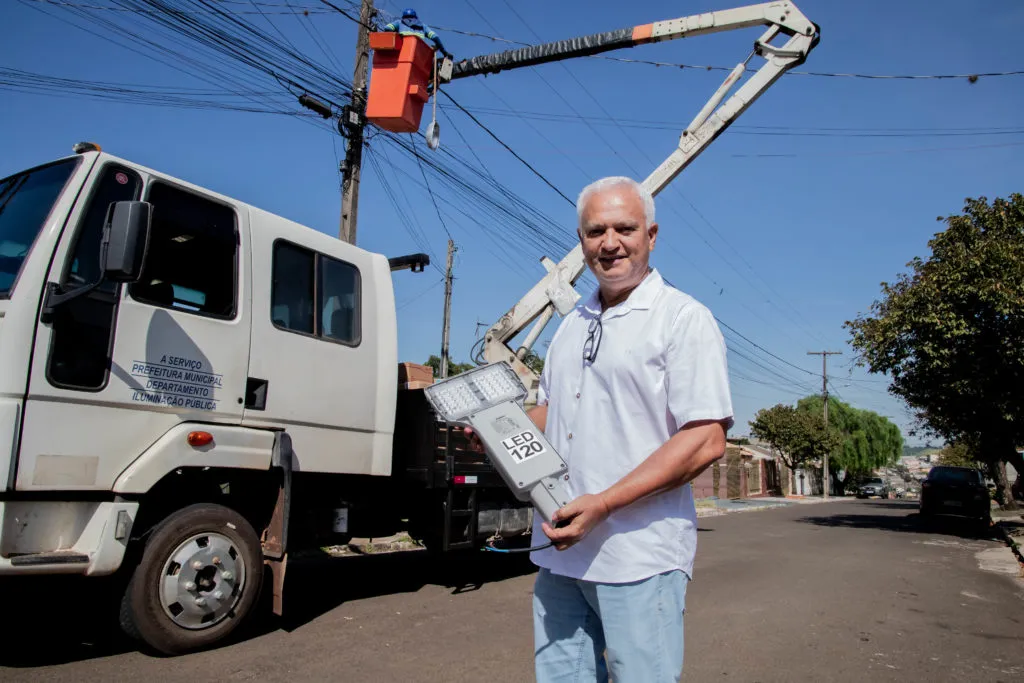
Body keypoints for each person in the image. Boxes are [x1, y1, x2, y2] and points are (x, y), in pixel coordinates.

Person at [470, 176, 733, 682]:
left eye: (624, 228)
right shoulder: (574, 323)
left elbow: (705, 438)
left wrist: (606, 503)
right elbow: (551, 415)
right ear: (581, 240)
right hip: (562, 552)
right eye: (595, 231)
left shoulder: (682, 319)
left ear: (651, 236)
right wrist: (494, 426)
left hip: (638, 557)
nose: (609, 243)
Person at [382, 8, 451, 58]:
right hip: (418, 56)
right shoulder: (423, 26)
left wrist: (398, 36)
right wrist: (444, 52)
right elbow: (435, 37)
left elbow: (387, 28)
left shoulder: (399, 22)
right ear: (416, 17)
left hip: (401, 54)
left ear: (403, 17)